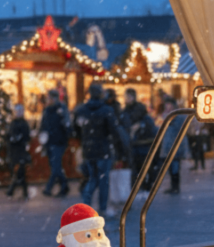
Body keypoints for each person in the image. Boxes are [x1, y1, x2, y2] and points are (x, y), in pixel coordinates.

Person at [73, 83, 123, 216]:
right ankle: (102, 208)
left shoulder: (82, 110)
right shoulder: (106, 110)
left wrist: (84, 140)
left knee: (93, 178)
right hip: (103, 149)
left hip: (89, 149)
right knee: (103, 180)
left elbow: (75, 129)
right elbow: (114, 130)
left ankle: (86, 205)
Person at [120, 89, 158, 190]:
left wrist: (139, 126)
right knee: (137, 166)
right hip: (134, 144)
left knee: (144, 166)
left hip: (143, 143)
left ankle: (146, 184)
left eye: (127, 97)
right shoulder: (125, 111)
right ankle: (141, 185)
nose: (126, 99)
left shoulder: (138, 110)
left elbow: (147, 123)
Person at [40, 90, 71, 197]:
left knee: (55, 166)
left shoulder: (62, 109)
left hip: (59, 141)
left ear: (55, 98)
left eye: (50, 98)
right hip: (49, 141)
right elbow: (43, 125)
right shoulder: (47, 110)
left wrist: (65, 136)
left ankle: (48, 188)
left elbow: (67, 125)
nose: (48, 100)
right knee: (54, 166)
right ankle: (64, 186)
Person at [159, 99, 188, 194]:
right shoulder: (168, 116)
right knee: (170, 168)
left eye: (169, 105)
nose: (167, 107)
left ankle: (176, 187)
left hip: (176, 146)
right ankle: (173, 186)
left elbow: (176, 128)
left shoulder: (178, 117)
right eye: (166, 105)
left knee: (175, 168)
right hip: (168, 146)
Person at [5, 104, 32, 200]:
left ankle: (11, 191)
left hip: (20, 151)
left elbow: (27, 137)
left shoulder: (23, 123)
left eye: (19, 111)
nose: (18, 113)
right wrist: (11, 139)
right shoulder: (13, 123)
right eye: (16, 111)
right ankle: (22, 192)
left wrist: (18, 139)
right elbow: (8, 136)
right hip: (14, 151)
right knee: (19, 172)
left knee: (20, 171)